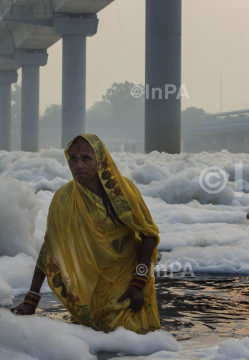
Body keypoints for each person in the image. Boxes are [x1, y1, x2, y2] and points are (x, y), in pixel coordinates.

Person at [11, 134, 161, 333]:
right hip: (92, 286)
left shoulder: (121, 191)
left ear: (100, 161)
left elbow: (148, 234)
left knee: (131, 335)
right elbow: (50, 247)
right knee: (97, 337)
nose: (78, 164)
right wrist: (31, 298)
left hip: (126, 278)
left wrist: (139, 280)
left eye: (86, 159)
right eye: (73, 159)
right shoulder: (63, 199)